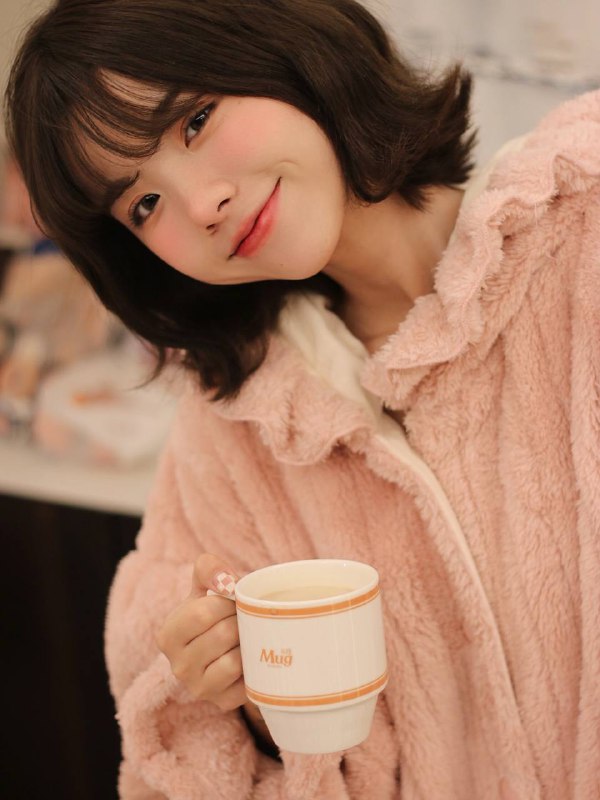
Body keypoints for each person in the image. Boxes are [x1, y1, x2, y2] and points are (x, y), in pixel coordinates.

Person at [5, 0, 600, 797]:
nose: (201, 206)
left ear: (282, 48)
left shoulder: (580, 225)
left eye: (194, 121)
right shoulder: (237, 432)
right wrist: (255, 709)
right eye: (143, 205)